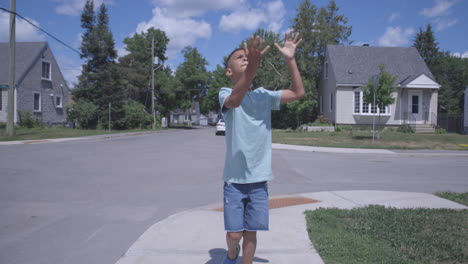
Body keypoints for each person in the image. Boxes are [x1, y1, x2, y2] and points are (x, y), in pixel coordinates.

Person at [218, 32, 304, 264]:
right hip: (234, 182)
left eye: (248, 56)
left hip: (258, 181)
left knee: (251, 233)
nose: (245, 58)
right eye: (239, 57)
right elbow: (235, 101)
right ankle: (230, 254)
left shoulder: (263, 96)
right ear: (229, 71)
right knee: (235, 234)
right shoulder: (225, 93)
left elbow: (298, 93)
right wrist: (253, 66)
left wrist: (290, 59)